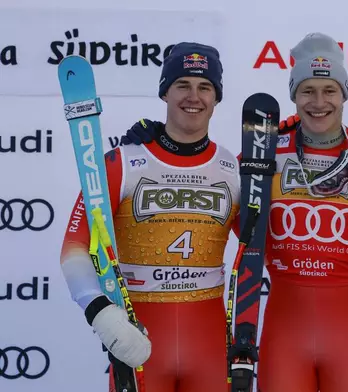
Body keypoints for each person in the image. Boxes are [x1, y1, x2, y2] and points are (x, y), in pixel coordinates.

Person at [120, 33, 348, 392]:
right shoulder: (261, 157)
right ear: (293, 95)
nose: (319, 101)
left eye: (330, 90)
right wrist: (156, 143)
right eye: (307, 90)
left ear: (344, 94)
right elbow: (205, 195)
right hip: (284, 336)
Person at [60, 42, 241, 392]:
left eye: (205, 87)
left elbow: (263, 246)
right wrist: (99, 310)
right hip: (138, 344)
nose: (194, 96)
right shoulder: (121, 161)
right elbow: (74, 245)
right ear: (165, 92)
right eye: (182, 85)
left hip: (208, 347)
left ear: (216, 98)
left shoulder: (232, 168)